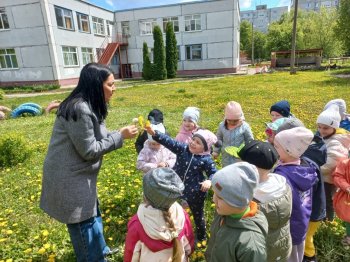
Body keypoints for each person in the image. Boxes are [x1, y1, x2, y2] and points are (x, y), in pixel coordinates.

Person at [39, 63, 138, 262]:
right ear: (96, 85)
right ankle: (92, 256)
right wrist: (120, 136)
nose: (114, 88)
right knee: (82, 220)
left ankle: (99, 250)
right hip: (68, 178)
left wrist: (118, 133)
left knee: (92, 213)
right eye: (110, 85)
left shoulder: (90, 103)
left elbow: (95, 138)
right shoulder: (80, 109)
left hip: (78, 174)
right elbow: (90, 150)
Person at [145, 126, 217, 242]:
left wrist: (209, 181)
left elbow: (214, 173)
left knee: (198, 216)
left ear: (205, 148)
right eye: (193, 139)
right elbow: (169, 142)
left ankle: (202, 237)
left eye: (198, 143)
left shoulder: (206, 159)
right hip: (175, 187)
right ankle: (169, 228)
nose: (193, 143)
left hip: (195, 193)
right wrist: (155, 134)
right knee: (169, 208)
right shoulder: (183, 149)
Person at [276, 118, 327, 262]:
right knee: (300, 250)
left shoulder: (283, 176)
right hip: (303, 221)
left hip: (289, 227)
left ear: (288, 150)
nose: (275, 149)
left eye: (277, 147)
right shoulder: (307, 169)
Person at [124, 167, 194, 262]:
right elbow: (189, 246)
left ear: (146, 195)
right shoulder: (182, 215)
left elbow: (131, 254)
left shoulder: (137, 224)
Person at [238, 140, 292, 262]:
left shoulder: (250, 198)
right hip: (281, 247)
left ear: (250, 169)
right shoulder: (282, 185)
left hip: (257, 252)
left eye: (239, 164)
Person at [205, 162, 268, 262]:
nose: (213, 200)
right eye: (214, 193)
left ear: (237, 202)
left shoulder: (251, 245)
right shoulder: (223, 212)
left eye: (220, 197)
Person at [316, 105, 350, 221]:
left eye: (325, 128)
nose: (321, 131)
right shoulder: (326, 138)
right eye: (319, 127)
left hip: (328, 178)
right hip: (321, 175)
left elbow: (332, 163)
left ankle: (329, 219)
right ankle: (324, 217)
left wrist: (315, 168)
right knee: (321, 198)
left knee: (327, 200)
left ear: (334, 128)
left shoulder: (336, 143)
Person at [212, 101, 254, 167]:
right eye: (229, 120)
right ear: (226, 118)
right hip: (226, 157)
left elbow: (250, 140)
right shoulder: (222, 126)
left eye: (235, 120)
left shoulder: (244, 126)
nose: (232, 123)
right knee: (227, 172)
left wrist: (249, 153)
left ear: (240, 117)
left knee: (238, 173)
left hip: (239, 157)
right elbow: (219, 139)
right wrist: (216, 151)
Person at [333, 159, 350, 247]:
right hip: (347, 196)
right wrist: (347, 187)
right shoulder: (345, 163)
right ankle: (348, 237)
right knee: (348, 217)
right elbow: (337, 176)